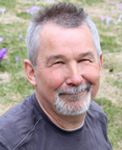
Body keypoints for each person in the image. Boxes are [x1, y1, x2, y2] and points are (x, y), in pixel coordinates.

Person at [0, 2, 112, 150]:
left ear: (99, 63)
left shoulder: (97, 115)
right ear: (32, 72)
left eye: (84, 60)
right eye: (58, 62)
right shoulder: (9, 143)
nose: (76, 78)